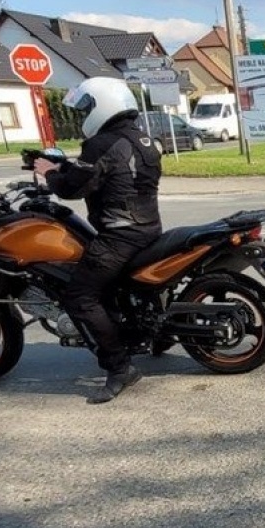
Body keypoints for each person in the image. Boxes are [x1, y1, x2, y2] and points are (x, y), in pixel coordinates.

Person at [31, 77, 163, 403]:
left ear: (102, 103)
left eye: (86, 107)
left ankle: (120, 368)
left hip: (120, 235)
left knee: (79, 296)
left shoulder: (102, 143)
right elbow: (96, 172)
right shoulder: (140, 137)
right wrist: (64, 165)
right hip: (146, 227)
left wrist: (48, 172)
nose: (83, 114)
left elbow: (72, 188)